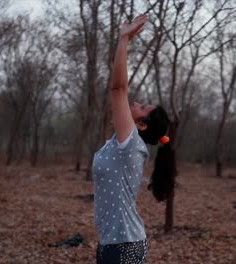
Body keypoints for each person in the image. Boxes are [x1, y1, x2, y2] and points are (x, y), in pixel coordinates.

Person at [93, 14, 176, 264]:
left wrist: (124, 40)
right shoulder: (119, 144)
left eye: (143, 107)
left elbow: (118, 89)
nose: (136, 102)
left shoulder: (130, 145)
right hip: (112, 243)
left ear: (140, 124)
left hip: (123, 246)